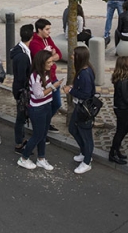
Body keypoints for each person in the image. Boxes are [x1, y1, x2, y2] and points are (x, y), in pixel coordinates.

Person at [18, 50, 61, 171]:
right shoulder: (35, 76)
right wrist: (54, 86)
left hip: (46, 106)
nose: (51, 64)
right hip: (38, 109)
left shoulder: (45, 73)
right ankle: (24, 158)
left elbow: (44, 89)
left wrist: (51, 86)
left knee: (43, 133)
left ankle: (41, 158)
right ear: (41, 62)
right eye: (49, 62)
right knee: (38, 135)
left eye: (51, 61)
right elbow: (38, 94)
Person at [63, 46, 95, 174]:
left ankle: (87, 161)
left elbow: (86, 94)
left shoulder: (84, 74)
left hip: (84, 109)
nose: (71, 57)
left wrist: (70, 90)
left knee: (86, 136)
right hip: (79, 107)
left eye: (74, 55)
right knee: (73, 128)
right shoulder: (84, 70)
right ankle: (84, 152)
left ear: (79, 58)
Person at [10, 24, 33, 154]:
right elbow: (21, 77)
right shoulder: (23, 56)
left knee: (22, 116)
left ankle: (21, 139)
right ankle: (19, 143)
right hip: (22, 91)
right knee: (20, 117)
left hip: (19, 89)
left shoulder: (19, 50)